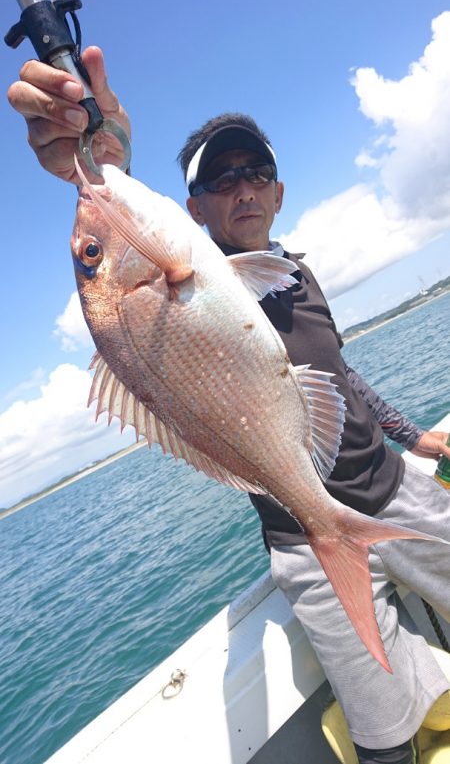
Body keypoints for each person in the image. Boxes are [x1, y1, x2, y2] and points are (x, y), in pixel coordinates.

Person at [8, 47, 450, 764]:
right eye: (221, 179)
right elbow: (123, 210)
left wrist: (413, 436)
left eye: (256, 174)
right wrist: (96, 152)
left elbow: (341, 374)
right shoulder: (195, 276)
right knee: (384, 730)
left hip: (397, 488)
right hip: (308, 541)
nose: (241, 188)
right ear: (194, 209)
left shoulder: (295, 272)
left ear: (278, 193)